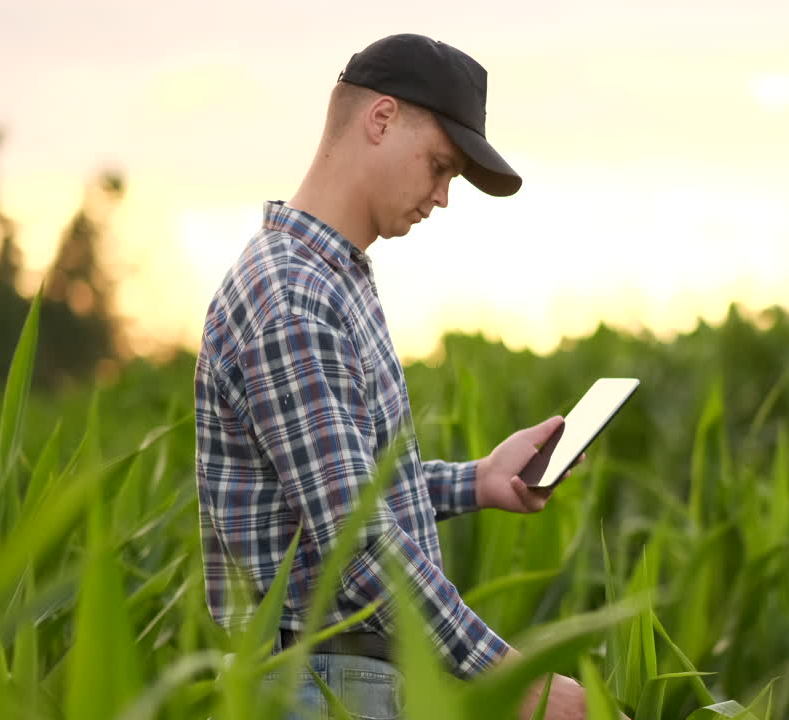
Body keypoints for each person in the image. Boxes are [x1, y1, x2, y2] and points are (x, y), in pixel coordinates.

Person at [193, 33, 603, 719]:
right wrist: (519, 680)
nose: (443, 196)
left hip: (340, 678)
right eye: (440, 166)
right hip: (319, 685)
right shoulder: (292, 294)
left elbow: (338, 488)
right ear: (380, 121)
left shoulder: (329, 279)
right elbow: (359, 543)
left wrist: (477, 480)